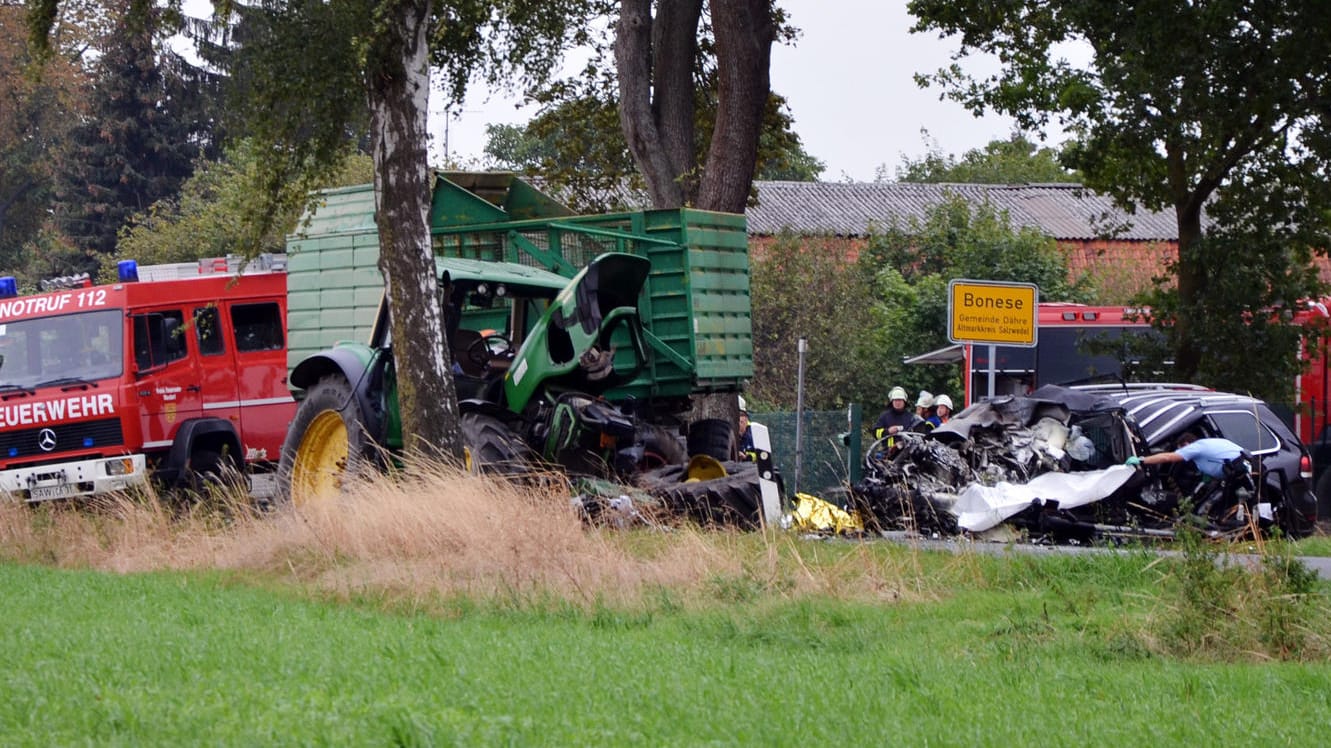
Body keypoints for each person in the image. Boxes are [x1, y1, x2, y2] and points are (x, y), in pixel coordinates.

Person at [1126, 431, 1246, 479]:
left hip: (1240, 475)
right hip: (1247, 468)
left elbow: (1167, 457)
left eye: (1181, 449)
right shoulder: (1210, 442)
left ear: (1187, 444)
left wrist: (1141, 460)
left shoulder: (1195, 448)